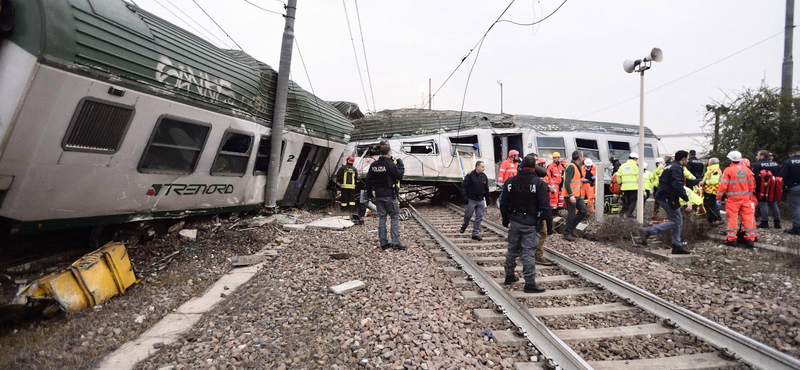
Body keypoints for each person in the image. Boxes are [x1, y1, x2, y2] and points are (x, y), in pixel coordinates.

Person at [500, 154, 553, 293]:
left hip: (515, 220)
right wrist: (549, 224)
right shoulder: (538, 183)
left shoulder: (510, 182)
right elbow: (545, 206)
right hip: (530, 222)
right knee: (528, 252)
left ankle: (509, 275)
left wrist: (505, 219)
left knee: (512, 249)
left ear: (521, 166)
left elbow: (504, 202)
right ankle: (529, 283)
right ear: (533, 167)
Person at [638, 150, 692, 255]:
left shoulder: (670, 166)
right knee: (676, 221)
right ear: (683, 159)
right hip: (668, 197)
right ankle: (649, 231)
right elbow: (677, 186)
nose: (688, 160)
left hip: (664, 196)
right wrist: (687, 200)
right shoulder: (677, 168)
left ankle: (677, 246)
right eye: (688, 158)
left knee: (677, 221)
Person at [366, 145, 406, 250]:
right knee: (394, 217)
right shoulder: (389, 164)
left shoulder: (373, 165)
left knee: (382, 218)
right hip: (390, 195)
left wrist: (370, 194)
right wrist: (401, 165)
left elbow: (368, 180)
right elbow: (399, 175)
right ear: (388, 153)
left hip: (379, 195)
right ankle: (395, 242)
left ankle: (383, 243)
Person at [717, 150, 757, 247]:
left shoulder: (728, 170)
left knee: (733, 218)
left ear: (730, 159)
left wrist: (718, 197)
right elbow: (752, 185)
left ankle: (731, 239)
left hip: (733, 199)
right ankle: (750, 239)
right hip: (746, 199)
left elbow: (723, 186)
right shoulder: (747, 170)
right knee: (748, 218)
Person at [752, 149, 782, 229]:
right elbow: (779, 175)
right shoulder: (776, 164)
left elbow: (755, 177)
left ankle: (764, 222)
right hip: (774, 186)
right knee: (773, 203)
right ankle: (777, 222)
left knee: (763, 203)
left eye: (758, 155)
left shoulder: (757, 165)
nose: (756, 157)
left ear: (762, 156)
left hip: (762, 187)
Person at [460, 161, 490, 241]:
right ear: (477, 167)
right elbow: (464, 186)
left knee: (479, 217)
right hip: (471, 200)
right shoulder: (470, 175)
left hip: (480, 200)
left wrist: (488, 199)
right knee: (468, 216)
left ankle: (475, 233)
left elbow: (486, 188)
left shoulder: (484, 176)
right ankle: (464, 226)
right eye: (482, 167)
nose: (484, 169)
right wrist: (464, 197)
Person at [562, 151, 587, 241]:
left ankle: (572, 228)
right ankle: (567, 233)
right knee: (571, 214)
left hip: (577, 194)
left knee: (583, 210)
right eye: (582, 156)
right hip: (570, 195)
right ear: (579, 157)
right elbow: (567, 181)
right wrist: (571, 195)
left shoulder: (576, 166)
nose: (583, 158)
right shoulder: (572, 167)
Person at [534, 156, 555, 265]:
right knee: (542, 232)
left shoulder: (540, 177)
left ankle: (523, 253)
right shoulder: (538, 179)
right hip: (538, 210)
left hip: (528, 211)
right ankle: (538, 255)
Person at [779, 146, 800, 234]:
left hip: (793, 187)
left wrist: (785, 186)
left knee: (795, 207)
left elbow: (783, 175)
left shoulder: (788, 162)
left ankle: (797, 227)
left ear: (790, 154)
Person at [617, 153, 640, 218]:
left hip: (624, 187)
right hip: (634, 187)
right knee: (633, 201)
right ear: (635, 159)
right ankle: (629, 214)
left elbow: (618, 176)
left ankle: (625, 213)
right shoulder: (636, 166)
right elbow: (639, 177)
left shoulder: (623, 166)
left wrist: (620, 183)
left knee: (627, 200)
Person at [702, 157, 723, 225]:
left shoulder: (715, 170)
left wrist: (704, 182)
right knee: (710, 205)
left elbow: (714, 181)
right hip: (709, 190)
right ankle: (711, 220)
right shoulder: (711, 169)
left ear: (711, 162)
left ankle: (718, 219)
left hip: (712, 191)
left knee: (709, 205)